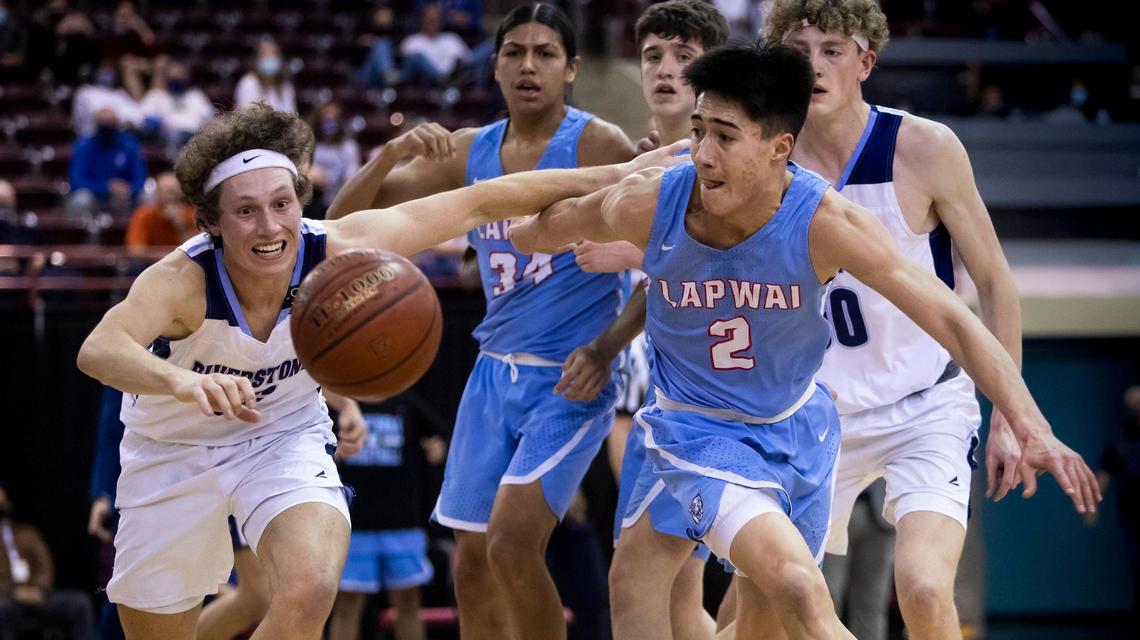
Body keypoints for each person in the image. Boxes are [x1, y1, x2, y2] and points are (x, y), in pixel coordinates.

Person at [511, 42, 1099, 639]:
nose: (704, 154)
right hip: (711, 424)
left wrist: (1024, 418)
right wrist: (515, 226)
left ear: (780, 147)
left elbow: (956, 313)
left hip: (826, 422)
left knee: (842, 604)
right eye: (698, 132)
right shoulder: (666, 195)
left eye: (725, 137)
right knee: (773, 589)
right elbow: (550, 221)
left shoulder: (839, 207)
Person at [74, 103, 683, 640]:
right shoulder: (182, 280)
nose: (270, 228)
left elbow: (479, 200)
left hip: (280, 437)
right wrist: (183, 381)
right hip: (173, 447)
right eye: (246, 212)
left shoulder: (333, 245)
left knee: (309, 587)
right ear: (211, 222)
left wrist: (617, 174)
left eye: (282, 204)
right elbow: (99, 348)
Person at [326, 5, 639, 639]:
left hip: (571, 377)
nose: (529, 65)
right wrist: (389, 155)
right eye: (515, 52)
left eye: (546, 53)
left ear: (572, 68)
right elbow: (341, 222)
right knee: (469, 564)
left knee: (511, 546)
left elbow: (663, 262)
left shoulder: (598, 143)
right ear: (494, 67)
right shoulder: (470, 152)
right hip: (492, 374)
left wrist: (607, 349)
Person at [769, 2, 1034, 637]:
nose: (814, 65)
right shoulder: (766, 161)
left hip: (925, 405)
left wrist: (1008, 414)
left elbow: (995, 281)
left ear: (867, 61)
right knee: (773, 604)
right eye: (799, 50)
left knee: (920, 586)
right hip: (817, 413)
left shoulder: (922, 147)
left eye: (832, 49)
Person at [568, 3, 730, 638]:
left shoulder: (714, 157)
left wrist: (631, 251)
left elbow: (732, 262)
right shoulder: (654, 158)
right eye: (653, 56)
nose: (665, 70)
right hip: (674, 391)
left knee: (653, 589)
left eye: (684, 57)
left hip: (719, 397)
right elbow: (669, 281)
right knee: (674, 595)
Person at [325, 393, 449, 640]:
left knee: (408, 601)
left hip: (402, 521)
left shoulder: (405, 401)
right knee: (347, 604)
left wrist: (440, 446)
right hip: (353, 523)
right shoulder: (337, 403)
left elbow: (442, 434)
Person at [0, 483, 96, 640]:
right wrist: (12, 592)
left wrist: (38, 589)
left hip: (37, 594)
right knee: (2, 610)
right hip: (6, 598)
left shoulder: (27, 533)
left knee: (80, 603)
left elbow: (45, 565)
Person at [68, 107, 148, 214]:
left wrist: (128, 188)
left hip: (126, 197)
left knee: (146, 197)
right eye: (103, 124)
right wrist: (106, 187)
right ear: (95, 125)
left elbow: (140, 179)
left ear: (117, 124)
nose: (107, 129)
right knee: (81, 199)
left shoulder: (129, 145)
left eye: (110, 124)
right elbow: (76, 182)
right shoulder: (83, 146)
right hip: (95, 197)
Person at [139, 60, 215, 150]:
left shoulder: (195, 95)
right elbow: (140, 117)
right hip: (166, 137)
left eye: (179, 76)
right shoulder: (157, 95)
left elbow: (210, 116)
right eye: (173, 76)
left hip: (194, 135)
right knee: (174, 137)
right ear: (166, 77)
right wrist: (156, 122)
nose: (176, 79)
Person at [124, 171, 198, 249]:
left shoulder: (193, 214)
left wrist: (181, 227)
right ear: (157, 192)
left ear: (182, 192)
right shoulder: (144, 214)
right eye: (165, 190)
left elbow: (199, 250)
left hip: (185, 260)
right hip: (153, 261)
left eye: (173, 191)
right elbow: (135, 250)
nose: (170, 196)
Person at [309, 103, 361, 209]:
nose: (329, 121)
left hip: (340, 199)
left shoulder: (349, 146)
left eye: (334, 117)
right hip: (315, 199)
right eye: (326, 117)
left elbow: (352, 176)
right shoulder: (311, 144)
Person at [234, 39, 296, 113]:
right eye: (266, 55)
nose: (270, 58)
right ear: (257, 60)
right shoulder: (248, 83)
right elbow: (245, 116)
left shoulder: (286, 86)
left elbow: (292, 116)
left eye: (274, 55)